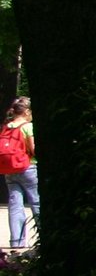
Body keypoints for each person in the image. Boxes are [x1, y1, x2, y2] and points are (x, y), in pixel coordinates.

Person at [2, 98, 35, 248]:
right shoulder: (28, 126)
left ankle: (16, 241)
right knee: (36, 202)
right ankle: (43, 235)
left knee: (15, 204)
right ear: (27, 111)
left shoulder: (6, 127)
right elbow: (33, 149)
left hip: (9, 170)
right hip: (27, 168)